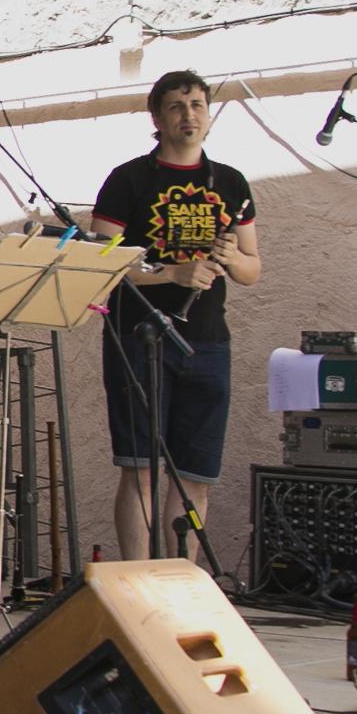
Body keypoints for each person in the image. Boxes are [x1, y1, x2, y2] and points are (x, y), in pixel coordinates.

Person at [90, 70, 259, 560]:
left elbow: (252, 269)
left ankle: (182, 579)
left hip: (206, 340)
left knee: (194, 476)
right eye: (177, 106)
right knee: (141, 468)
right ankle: (138, 580)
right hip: (139, 336)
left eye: (198, 105)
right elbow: (101, 263)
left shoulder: (230, 182)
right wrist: (172, 273)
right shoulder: (129, 179)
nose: (189, 115)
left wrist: (226, 259)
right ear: (157, 118)